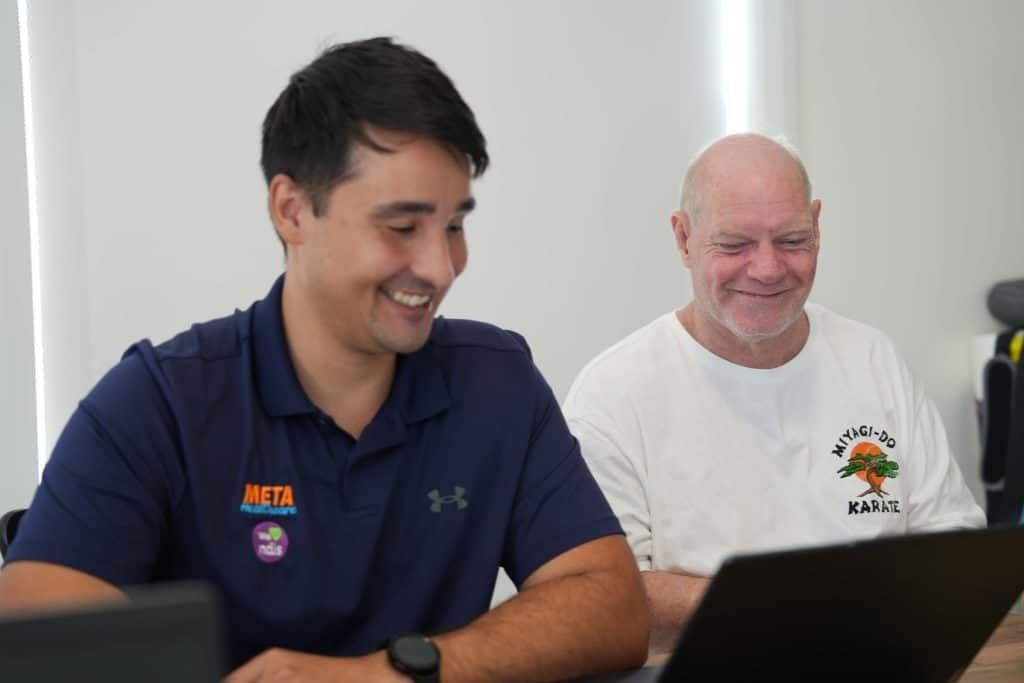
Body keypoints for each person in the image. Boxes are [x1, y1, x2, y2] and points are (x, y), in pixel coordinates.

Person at [0, 38, 649, 681]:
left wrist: (393, 672)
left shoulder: (497, 381)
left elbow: (613, 606)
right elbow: (35, 631)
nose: (441, 266)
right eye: (402, 227)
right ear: (291, 210)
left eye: (453, 224)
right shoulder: (158, 401)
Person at [562, 133, 984, 649]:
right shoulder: (613, 395)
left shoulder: (873, 360)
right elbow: (607, 590)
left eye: (791, 241)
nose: (766, 269)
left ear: (817, 227)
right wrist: (782, 606)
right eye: (735, 244)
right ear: (683, 238)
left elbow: (952, 533)